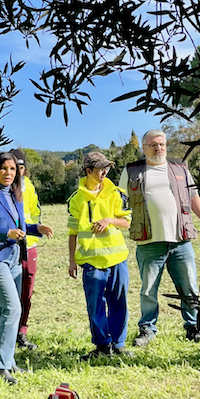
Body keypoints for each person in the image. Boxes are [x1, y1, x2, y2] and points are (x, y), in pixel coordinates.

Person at [119, 129, 200, 346]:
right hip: (149, 241)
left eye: (161, 144)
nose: (158, 148)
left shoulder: (179, 167)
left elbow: (193, 196)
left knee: (190, 287)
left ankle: (193, 328)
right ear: (144, 148)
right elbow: (118, 200)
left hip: (180, 240)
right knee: (148, 290)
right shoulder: (132, 170)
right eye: (153, 144)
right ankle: (147, 329)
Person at [0, 152, 54, 384]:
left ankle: (6, 362)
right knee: (12, 308)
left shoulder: (16, 195)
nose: (8, 173)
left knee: (5, 312)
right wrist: (5, 233)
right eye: (3, 168)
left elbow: (19, 226)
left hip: (15, 258)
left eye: (12, 169)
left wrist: (35, 228)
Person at [68, 151, 133, 359]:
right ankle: (102, 347)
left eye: (107, 168)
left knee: (119, 302)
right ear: (88, 171)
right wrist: (71, 261)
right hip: (91, 261)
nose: (105, 172)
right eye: (100, 169)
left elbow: (127, 222)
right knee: (95, 306)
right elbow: (72, 232)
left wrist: (109, 220)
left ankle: (119, 344)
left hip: (117, 259)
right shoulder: (76, 199)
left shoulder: (116, 193)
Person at [9, 148, 42, 350]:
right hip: (10, 247)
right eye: (13, 167)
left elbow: (35, 212)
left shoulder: (28, 186)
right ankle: (7, 332)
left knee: (26, 294)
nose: (17, 171)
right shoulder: (0, 188)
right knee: (10, 293)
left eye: (20, 167)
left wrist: (35, 232)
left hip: (29, 245)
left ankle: (22, 332)